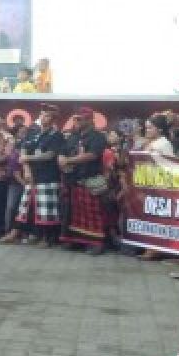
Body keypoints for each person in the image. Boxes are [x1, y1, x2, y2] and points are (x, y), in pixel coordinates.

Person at [1, 106, 65, 247]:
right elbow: (23, 149)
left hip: (48, 177)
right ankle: (17, 232)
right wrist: (27, 169)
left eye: (47, 116)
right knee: (26, 207)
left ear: (53, 119)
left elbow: (50, 155)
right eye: (42, 114)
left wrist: (27, 158)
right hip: (32, 176)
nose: (43, 117)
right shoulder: (33, 132)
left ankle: (46, 238)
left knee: (46, 209)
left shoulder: (56, 135)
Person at [58, 108, 109, 254]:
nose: (77, 122)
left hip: (90, 179)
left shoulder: (98, 137)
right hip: (73, 180)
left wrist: (68, 160)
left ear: (89, 120)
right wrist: (61, 159)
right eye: (76, 119)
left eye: (80, 119)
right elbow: (62, 151)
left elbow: (92, 155)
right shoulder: (73, 136)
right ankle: (77, 241)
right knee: (73, 214)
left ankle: (96, 243)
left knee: (92, 214)